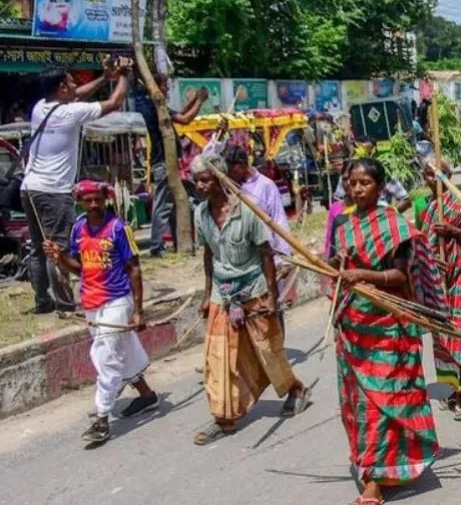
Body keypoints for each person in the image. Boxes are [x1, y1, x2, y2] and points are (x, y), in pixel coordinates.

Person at [332, 158, 444, 505]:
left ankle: (377, 480)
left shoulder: (395, 225)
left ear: (380, 188)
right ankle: (373, 465)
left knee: (386, 403)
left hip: (389, 327)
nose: (357, 189)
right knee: (361, 405)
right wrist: (337, 274)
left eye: (365, 183)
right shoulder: (341, 224)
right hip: (353, 328)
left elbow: (400, 277)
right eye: (352, 183)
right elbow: (336, 271)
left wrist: (364, 275)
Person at [190, 153, 310, 446]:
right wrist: (207, 295)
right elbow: (208, 255)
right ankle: (224, 416)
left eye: (206, 180)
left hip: (253, 288)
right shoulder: (201, 214)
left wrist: (271, 296)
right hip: (222, 291)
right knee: (218, 355)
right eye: (197, 181)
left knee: (267, 350)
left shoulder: (247, 209)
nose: (201, 186)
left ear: (219, 179)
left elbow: (266, 255)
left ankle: (295, 389)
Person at [43, 180, 158, 444]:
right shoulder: (78, 228)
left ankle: (102, 418)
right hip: (91, 301)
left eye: (97, 199)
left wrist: (138, 311)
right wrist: (60, 257)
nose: (93, 205)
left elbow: (135, 268)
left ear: (105, 199)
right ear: (81, 202)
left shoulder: (119, 228)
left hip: (117, 300)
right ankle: (146, 395)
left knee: (105, 356)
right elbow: (79, 268)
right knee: (123, 350)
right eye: (88, 200)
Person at [22, 60, 131, 314]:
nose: (75, 85)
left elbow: (77, 95)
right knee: (57, 248)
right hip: (53, 190)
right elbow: (114, 103)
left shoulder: (41, 107)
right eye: (71, 81)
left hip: (29, 188)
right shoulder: (69, 114)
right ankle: (65, 304)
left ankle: (42, 300)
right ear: (61, 87)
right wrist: (124, 74)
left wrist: (105, 78)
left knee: (39, 247)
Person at [419, 163, 461, 421]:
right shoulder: (429, 208)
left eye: (434, 175)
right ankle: (455, 388)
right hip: (439, 277)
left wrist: (457, 233)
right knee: (443, 333)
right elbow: (423, 243)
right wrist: (433, 261)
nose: (429, 179)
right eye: (426, 175)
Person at [221, 143, 295, 335]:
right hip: (241, 258)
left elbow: (278, 220)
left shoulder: (266, 186)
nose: (227, 174)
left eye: (230, 169)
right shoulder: (230, 187)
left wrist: (283, 257)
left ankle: (279, 348)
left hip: (266, 256)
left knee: (271, 303)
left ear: (240, 165)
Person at [136, 74, 206, 258]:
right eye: (165, 85)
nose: (167, 89)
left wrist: (193, 102)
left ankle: (175, 242)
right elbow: (184, 119)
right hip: (163, 163)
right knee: (163, 206)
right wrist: (199, 101)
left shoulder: (154, 106)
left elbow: (179, 115)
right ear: (156, 87)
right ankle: (156, 246)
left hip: (166, 163)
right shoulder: (153, 106)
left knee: (174, 205)